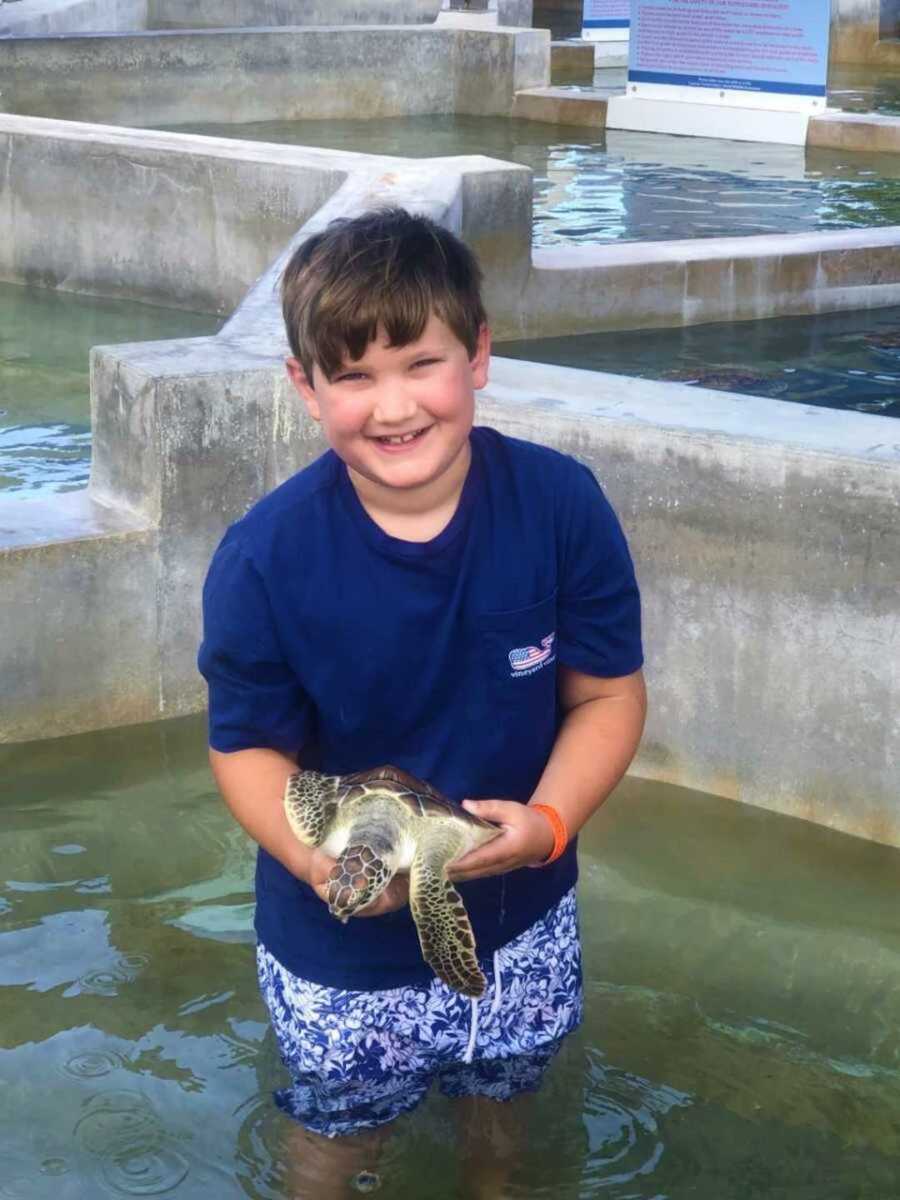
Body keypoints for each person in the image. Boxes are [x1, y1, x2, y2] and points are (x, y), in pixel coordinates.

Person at [198, 207, 646, 1198]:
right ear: (304, 389)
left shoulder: (562, 508)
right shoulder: (266, 561)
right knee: (335, 1142)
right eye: (352, 375)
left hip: (523, 903)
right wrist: (323, 865)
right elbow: (244, 750)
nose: (391, 405)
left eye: (419, 362)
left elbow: (608, 696)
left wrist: (549, 823)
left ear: (479, 354)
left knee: (501, 1109)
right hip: (339, 936)